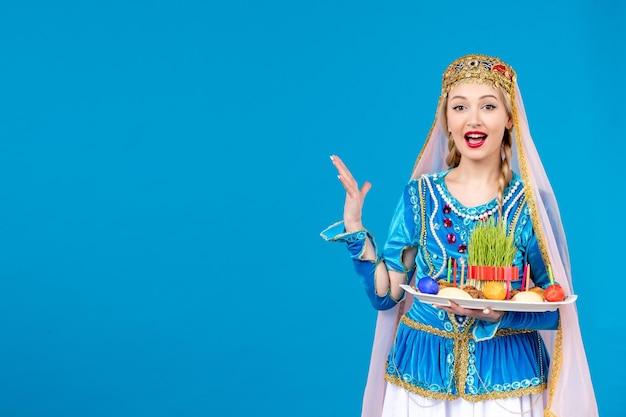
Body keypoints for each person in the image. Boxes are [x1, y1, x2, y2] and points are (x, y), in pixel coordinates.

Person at [321, 54, 597, 417]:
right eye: (460, 106)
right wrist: (355, 228)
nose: (474, 119)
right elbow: (386, 296)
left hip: (507, 379)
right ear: (446, 121)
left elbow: (553, 308)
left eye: (488, 106)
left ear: (509, 118)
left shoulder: (529, 206)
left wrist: (501, 316)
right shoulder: (419, 197)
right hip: (421, 377)